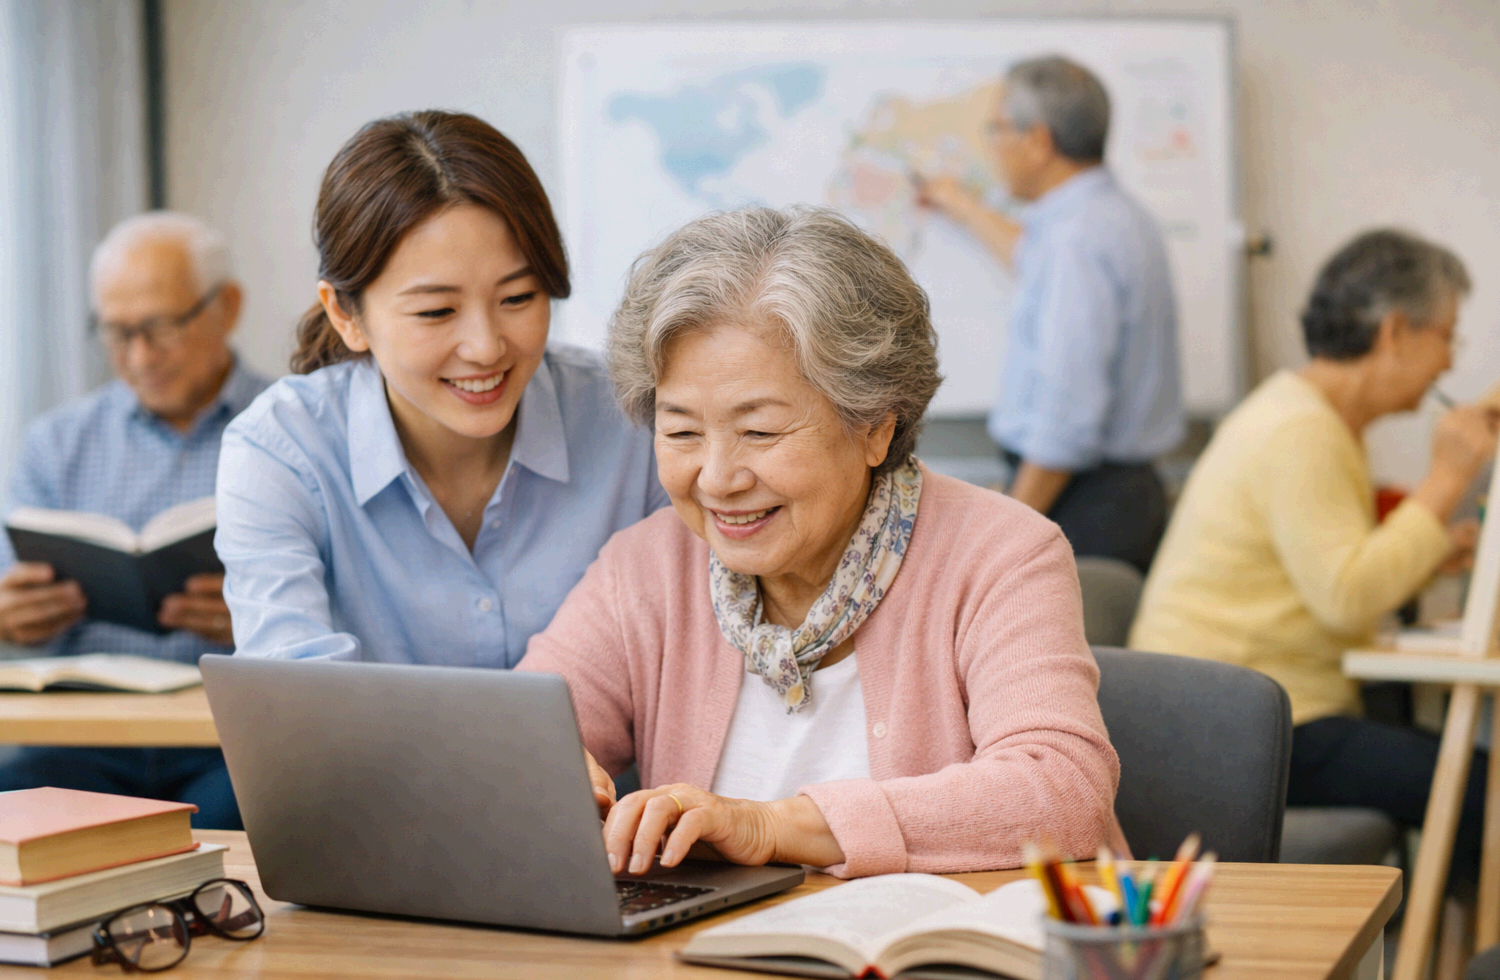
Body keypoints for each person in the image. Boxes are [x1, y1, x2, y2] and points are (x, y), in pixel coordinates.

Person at [517, 206, 1120, 879]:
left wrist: (771, 826)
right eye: (682, 432)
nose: (716, 478)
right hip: (706, 975)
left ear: (875, 427)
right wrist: (547, 772)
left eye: (761, 432)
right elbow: (516, 735)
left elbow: (1061, 791)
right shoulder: (647, 567)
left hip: (936, 970)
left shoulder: (1002, 555)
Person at [1129, 228, 1500, 897]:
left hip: (1258, 708)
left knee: (1460, 773)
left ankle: (1453, 977)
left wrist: (1427, 553)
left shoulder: (1307, 416)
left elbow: (1329, 576)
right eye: (1446, 337)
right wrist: (1446, 480)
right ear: (1396, 331)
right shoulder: (1300, 430)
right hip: (1241, 727)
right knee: (1479, 788)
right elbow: (1346, 594)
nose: (1449, 365)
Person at [215, 111, 666, 665]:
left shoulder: (632, 419)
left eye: (518, 299)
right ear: (345, 314)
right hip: (365, 758)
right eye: (436, 311)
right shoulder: (282, 448)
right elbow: (295, 698)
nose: (485, 347)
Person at [0, 212, 270, 828]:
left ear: (227, 307)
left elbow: (355, 614)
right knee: (1, 804)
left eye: (161, 329)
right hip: (80, 745)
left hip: (230, 745)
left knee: (257, 818)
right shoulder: (56, 444)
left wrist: (261, 620)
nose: (140, 357)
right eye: (117, 333)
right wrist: (4, 619)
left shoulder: (290, 430)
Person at [918, 55, 1183, 571]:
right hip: (1118, 495)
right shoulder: (1109, 217)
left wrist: (1007, 528)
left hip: (1082, 502)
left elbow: (1066, 420)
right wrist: (962, 206)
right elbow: (1030, 258)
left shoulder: (1077, 241)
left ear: (1038, 141)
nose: (992, 146)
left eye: (997, 130)